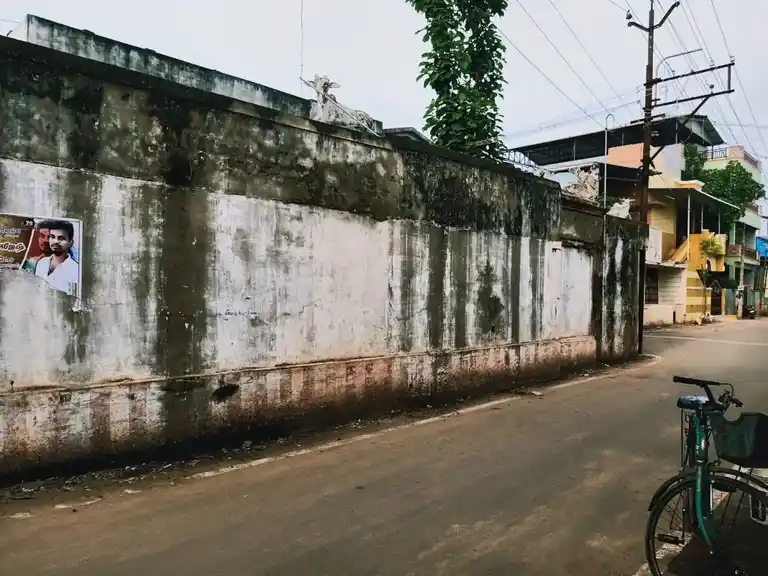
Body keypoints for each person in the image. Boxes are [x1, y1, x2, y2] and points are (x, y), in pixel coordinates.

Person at [34, 220, 80, 296]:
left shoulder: (75, 269)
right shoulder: (41, 263)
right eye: (52, 237)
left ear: (70, 242)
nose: (55, 241)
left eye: (61, 238)